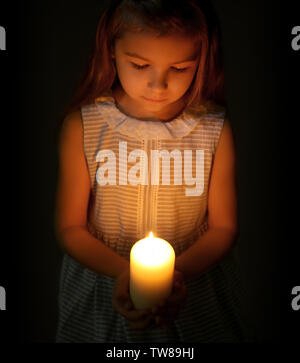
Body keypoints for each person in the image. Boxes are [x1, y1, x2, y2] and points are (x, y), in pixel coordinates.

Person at [55, 0, 254, 342]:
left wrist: (170, 282)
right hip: (105, 290)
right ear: (111, 51)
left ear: (200, 61)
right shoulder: (84, 128)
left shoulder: (213, 130)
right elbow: (70, 227)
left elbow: (224, 228)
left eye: (179, 68)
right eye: (140, 64)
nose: (158, 85)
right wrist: (128, 277)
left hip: (192, 292)